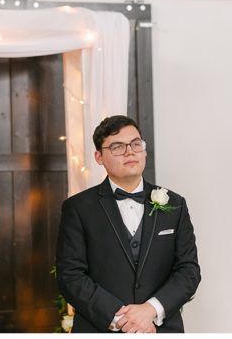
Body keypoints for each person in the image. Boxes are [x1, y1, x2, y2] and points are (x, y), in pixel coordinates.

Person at [56, 116, 201, 333]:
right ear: (99, 157)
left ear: (144, 150)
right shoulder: (78, 208)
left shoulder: (176, 204)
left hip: (160, 328)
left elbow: (188, 270)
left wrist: (151, 310)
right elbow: (70, 276)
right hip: (100, 328)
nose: (130, 152)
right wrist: (121, 319)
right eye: (117, 147)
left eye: (135, 144)